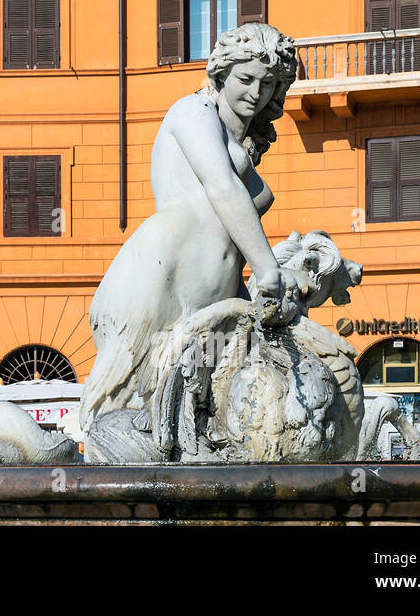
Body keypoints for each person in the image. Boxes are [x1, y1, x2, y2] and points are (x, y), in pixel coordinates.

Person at [82, 23, 300, 428]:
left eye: (268, 84)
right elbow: (221, 187)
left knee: (208, 416)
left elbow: (230, 240)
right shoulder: (192, 112)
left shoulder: (242, 144)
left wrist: (253, 297)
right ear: (221, 74)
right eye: (246, 79)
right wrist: (267, 266)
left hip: (216, 296)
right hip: (163, 279)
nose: (256, 92)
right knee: (129, 406)